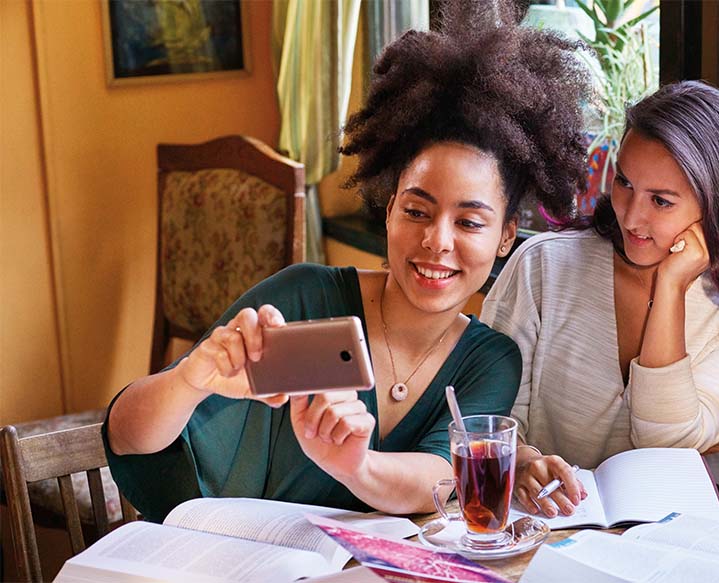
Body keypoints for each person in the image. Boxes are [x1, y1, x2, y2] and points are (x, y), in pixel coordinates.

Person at [102, 4, 591, 523]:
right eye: (416, 211)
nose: (437, 241)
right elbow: (126, 438)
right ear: (388, 212)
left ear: (505, 237)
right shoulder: (299, 298)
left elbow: (438, 478)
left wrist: (355, 465)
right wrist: (188, 382)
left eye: (469, 222)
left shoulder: (489, 361)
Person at [482, 81, 719, 518]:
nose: (630, 216)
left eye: (661, 201)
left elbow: (665, 446)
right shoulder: (544, 265)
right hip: (537, 529)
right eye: (625, 183)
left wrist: (670, 290)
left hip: (659, 546)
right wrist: (522, 460)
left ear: (718, 204)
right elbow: (485, 415)